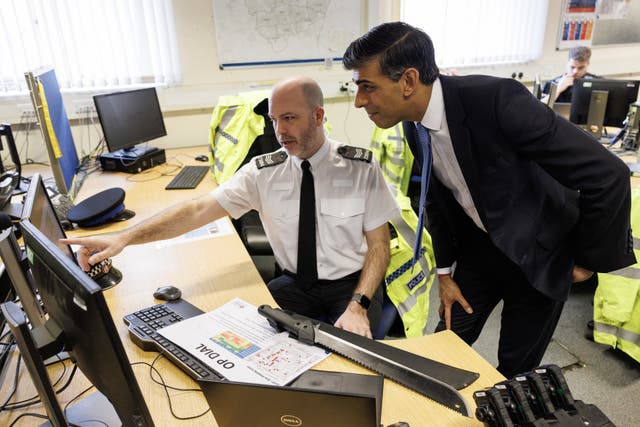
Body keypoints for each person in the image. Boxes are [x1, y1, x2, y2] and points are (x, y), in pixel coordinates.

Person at [342, 22, 635, 377]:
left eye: (367, 87)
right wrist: (444, 273)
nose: (359, 101)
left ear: (408, 81)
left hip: (540, 253)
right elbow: (437, 200)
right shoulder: (410, 122)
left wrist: (586, 260)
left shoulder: (496, 100)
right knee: (440, 353)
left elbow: (608, 174)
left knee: (515, 371)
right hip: (480, 252)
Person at [62, 76, 399, 338]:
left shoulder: (360, 168)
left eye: (290, 118)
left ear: (319, 116)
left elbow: (379, 246)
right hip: (295, 285)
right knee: (251, 345)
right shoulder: (262, 172)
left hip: (352, 286)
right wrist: (125, 237)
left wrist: (359, 304)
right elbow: (196, 211)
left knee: (357, 357)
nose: (280, 131)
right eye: (274, 120)